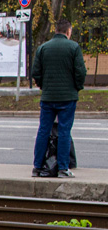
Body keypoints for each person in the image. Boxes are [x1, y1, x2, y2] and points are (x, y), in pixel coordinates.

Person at [31, 19, 86, 178]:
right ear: (68, 32)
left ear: (55, 31)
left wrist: (44, 86)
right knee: (64, 131)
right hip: (67, 98)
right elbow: (80, 72)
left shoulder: (43, 48)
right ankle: (63, 168)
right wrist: (76, 87)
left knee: (43, 131)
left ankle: (37, 167)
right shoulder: (74, 47)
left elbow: (36, 72)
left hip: (48, 97)